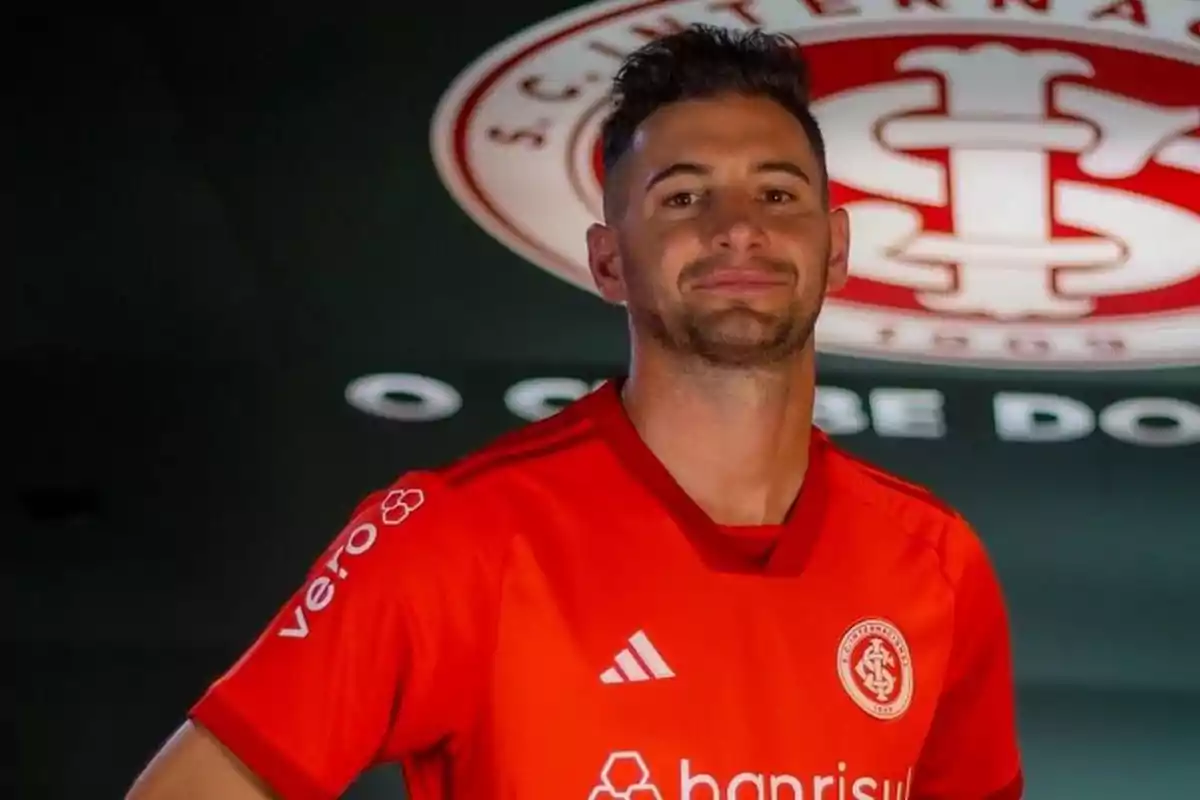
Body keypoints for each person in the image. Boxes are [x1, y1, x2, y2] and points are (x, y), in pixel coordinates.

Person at [127, 24, 1023, 800]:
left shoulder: (936, 562)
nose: (738, 226)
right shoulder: (460, 535)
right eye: (682, 196)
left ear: (835, 248)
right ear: (606, 262)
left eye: (778, 193)